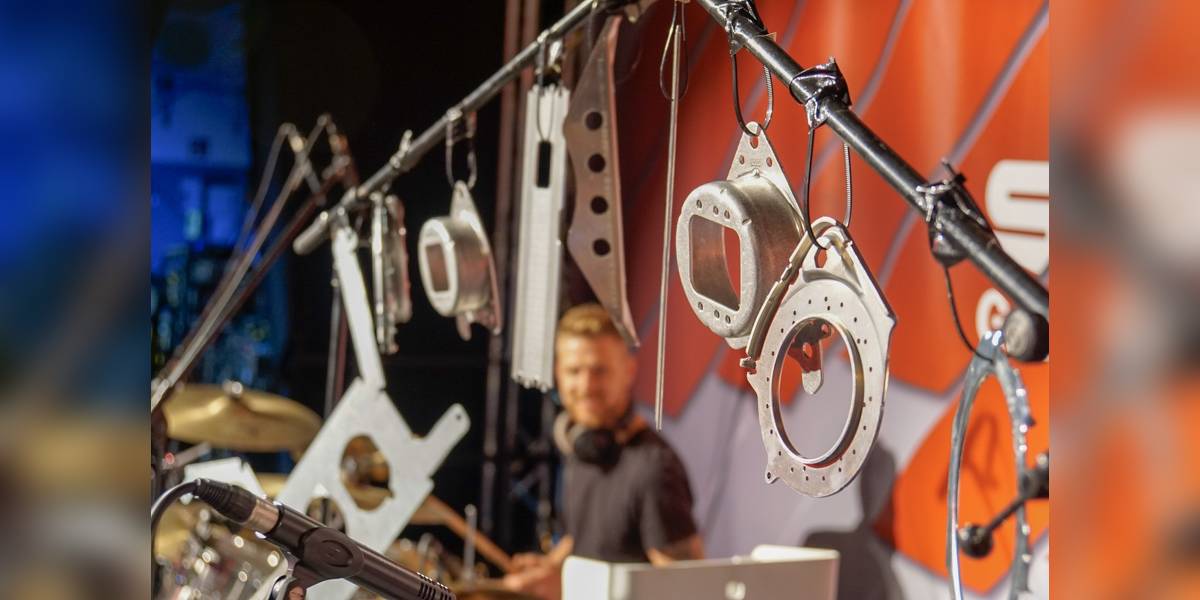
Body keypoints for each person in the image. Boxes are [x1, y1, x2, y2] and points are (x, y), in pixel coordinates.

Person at [502, 303, 704, 599]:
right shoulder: (582, 450)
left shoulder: (654, 469)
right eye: (574, 371)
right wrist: (552, 566)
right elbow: (579, 538)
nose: (586, 386)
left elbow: (689, 592)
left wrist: (569, 587)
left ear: (629, 371)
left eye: (599, 371)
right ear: (558, 373)